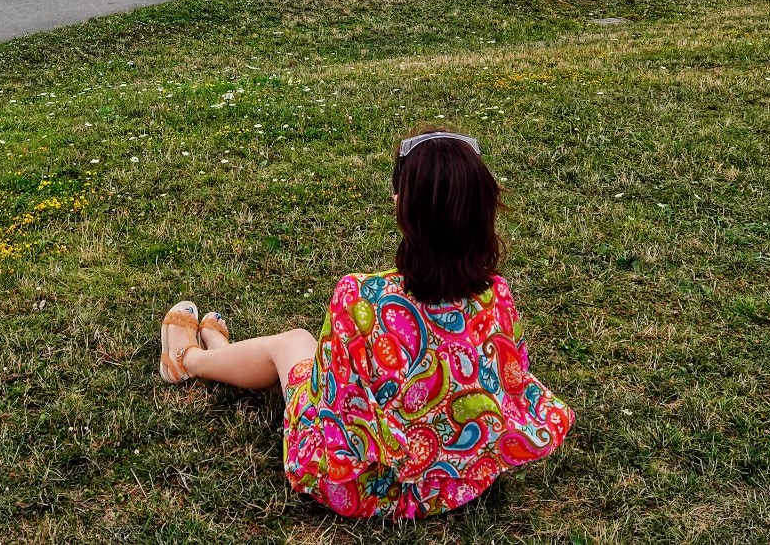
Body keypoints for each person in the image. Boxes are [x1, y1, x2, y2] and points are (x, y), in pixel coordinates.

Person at [157, 130, 571, 520]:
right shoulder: (496, 295)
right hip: (458, 483)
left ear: (401, 205)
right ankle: (216, 347)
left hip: (360, 490)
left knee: (292, 345)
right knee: (297, 351)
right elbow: (505, 392)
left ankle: (188, 359)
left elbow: (334, 413)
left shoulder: (360, 297)